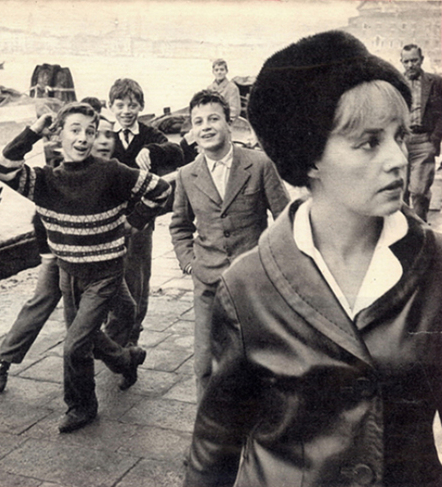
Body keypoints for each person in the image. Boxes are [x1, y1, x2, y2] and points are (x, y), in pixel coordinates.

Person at [184, 30, 442, 487]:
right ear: (310, 158)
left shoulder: (436, 264)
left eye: (399, 137)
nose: (398, 159)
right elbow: (215, 443)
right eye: (369, 142)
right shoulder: (247, 286)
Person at [0, 102, 171, 433]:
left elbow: (161, 190)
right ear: (58, 135)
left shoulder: (111, 171)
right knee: (86, 337)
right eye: (74, 130)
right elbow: (2, 168)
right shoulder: (44, 181)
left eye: (90, 131)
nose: (83, 138)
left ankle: (82, 406)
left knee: (75, 344)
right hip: (69, 274)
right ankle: (127, 360)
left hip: (105, 275)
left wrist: (135, 221)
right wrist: (33, 130)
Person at [0, 111, 135, 392]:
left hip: (100, 260)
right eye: (81, 131)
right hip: (59, 254)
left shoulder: (112, 171)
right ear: (62, 135)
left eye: (103, 134)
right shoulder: (56, 175)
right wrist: (48, 253)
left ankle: (113, 357)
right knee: (44, 304)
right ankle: (4, 358)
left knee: (125, 309)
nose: (97, 140)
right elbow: (38, 214)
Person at [169, 89, 288, 402]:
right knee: (204, 365)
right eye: (198, 122)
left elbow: (285, 220)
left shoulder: (260, 164)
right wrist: (189, 263)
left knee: (256, 364)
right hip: (208, 284)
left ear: (230, 122)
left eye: (213, 119)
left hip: (253, 285)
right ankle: (208, 444)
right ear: (192, 132)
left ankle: (256, 437)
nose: (206, 126)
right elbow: (179, 226)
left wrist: (271, 266)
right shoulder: (186, 175)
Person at [107, 78, 184, 347]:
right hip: (108, 220)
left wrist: (151, 150)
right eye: (120, 105)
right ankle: (112, 332)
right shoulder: (104, 136)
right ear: (110, 106)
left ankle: (132, 335)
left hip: (141, 218)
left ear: (141, 107)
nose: (127, 111)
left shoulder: (149, 134)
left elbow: (176, 151)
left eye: (133, 105)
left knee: (138, 277)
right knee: (109, 277)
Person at [400, 44, 442, 221]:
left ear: (422, 60)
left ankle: (420, 235)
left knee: (418, 191)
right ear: (401, 62)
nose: (410, 65)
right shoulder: (396, 83)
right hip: (401, 143)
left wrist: (434, 141)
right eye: (406, 61)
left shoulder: (435, 82)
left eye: (414, 60)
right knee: (399, 192)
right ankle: (402, 235)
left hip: (424, 141)